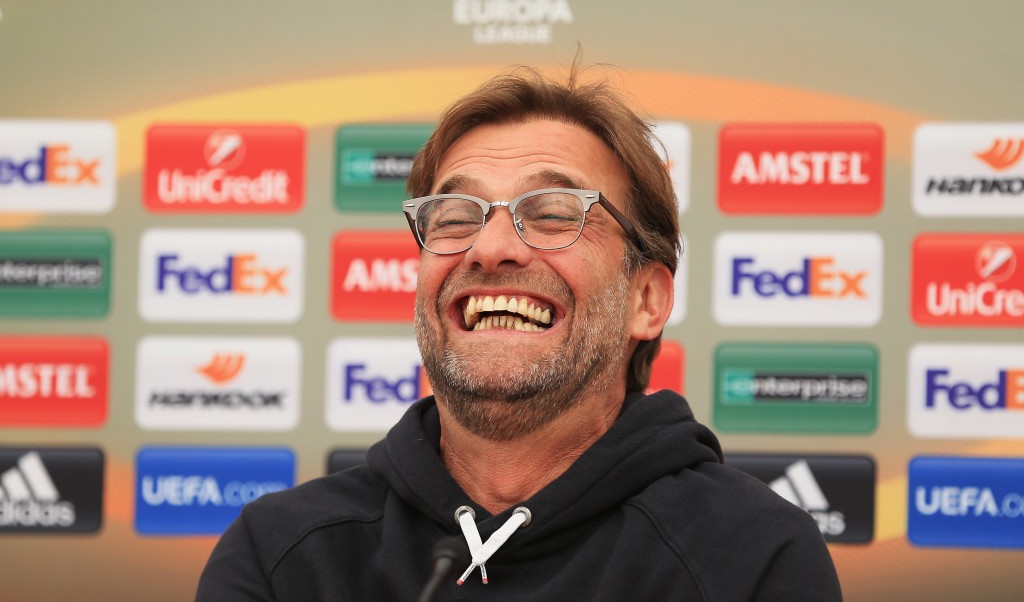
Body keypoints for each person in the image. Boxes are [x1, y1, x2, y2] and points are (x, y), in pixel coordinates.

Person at [195, 64, 843, 601]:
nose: (490, 247)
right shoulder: (281, 556)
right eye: (455, 214)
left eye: (554, 211)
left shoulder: (752, 558)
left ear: (647, 299)